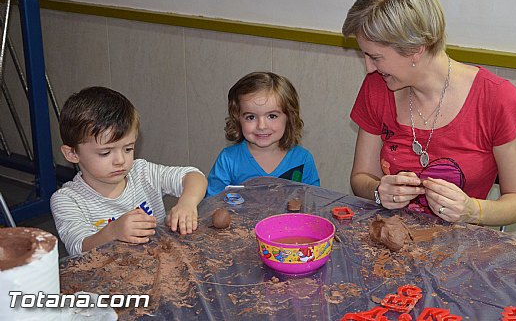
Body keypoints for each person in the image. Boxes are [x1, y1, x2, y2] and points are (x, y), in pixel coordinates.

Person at [343, 0, 516, 227]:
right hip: (392, 238)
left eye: (376, 57)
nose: (369, 68)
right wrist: (380, 191)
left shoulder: (497, 99)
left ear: (416, 49)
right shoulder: (377, 87)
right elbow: (361, 177)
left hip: (462, 249)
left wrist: (473, 210)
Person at [50, 86, 207, 256]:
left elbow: (194, 176)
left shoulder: (142, 173)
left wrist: (187, 203)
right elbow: (78, 247)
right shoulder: (67, 200)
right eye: (105, 152)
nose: (120, 161)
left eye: (128, 149)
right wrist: (113, 232)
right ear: (72, 153)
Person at [206, 72, 320, 196]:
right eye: (251, 117)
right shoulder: (228, 160)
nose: (261, 126)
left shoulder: (302, 159)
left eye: (272, 116)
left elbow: (313, 202)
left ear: (289, 117)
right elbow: (213, 205)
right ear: (238, 118)